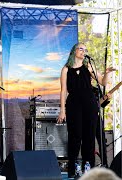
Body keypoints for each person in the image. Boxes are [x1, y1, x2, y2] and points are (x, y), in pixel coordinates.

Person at [57, 42, 116, 178]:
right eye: (81, 49)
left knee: (89, 138)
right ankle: (72, 169)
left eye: (85, 49)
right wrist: (62, 110)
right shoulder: (66, 69)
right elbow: (63, 90)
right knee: (75, 136)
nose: (84, 52)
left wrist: (106, 74)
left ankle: (88, 168)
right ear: (74, 51)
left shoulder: (89, 66)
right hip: (73, 105)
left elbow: (103, 82)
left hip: (90, 104)